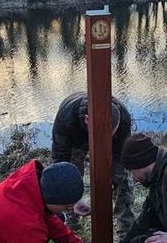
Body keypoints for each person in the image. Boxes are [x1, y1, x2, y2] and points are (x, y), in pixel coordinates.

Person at [51, 92, 135, 232]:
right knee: (70, 174)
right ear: (87, 119)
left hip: (112, 147)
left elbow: (120, 157)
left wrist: (111, 182)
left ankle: (126, 230)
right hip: (75, 141)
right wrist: (73, 197)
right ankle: (72, 222)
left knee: (123, 179)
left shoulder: (123, 118)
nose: (102, 140)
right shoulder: (66, 118)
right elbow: (60, 158)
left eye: (110, 135)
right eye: (101, 135)